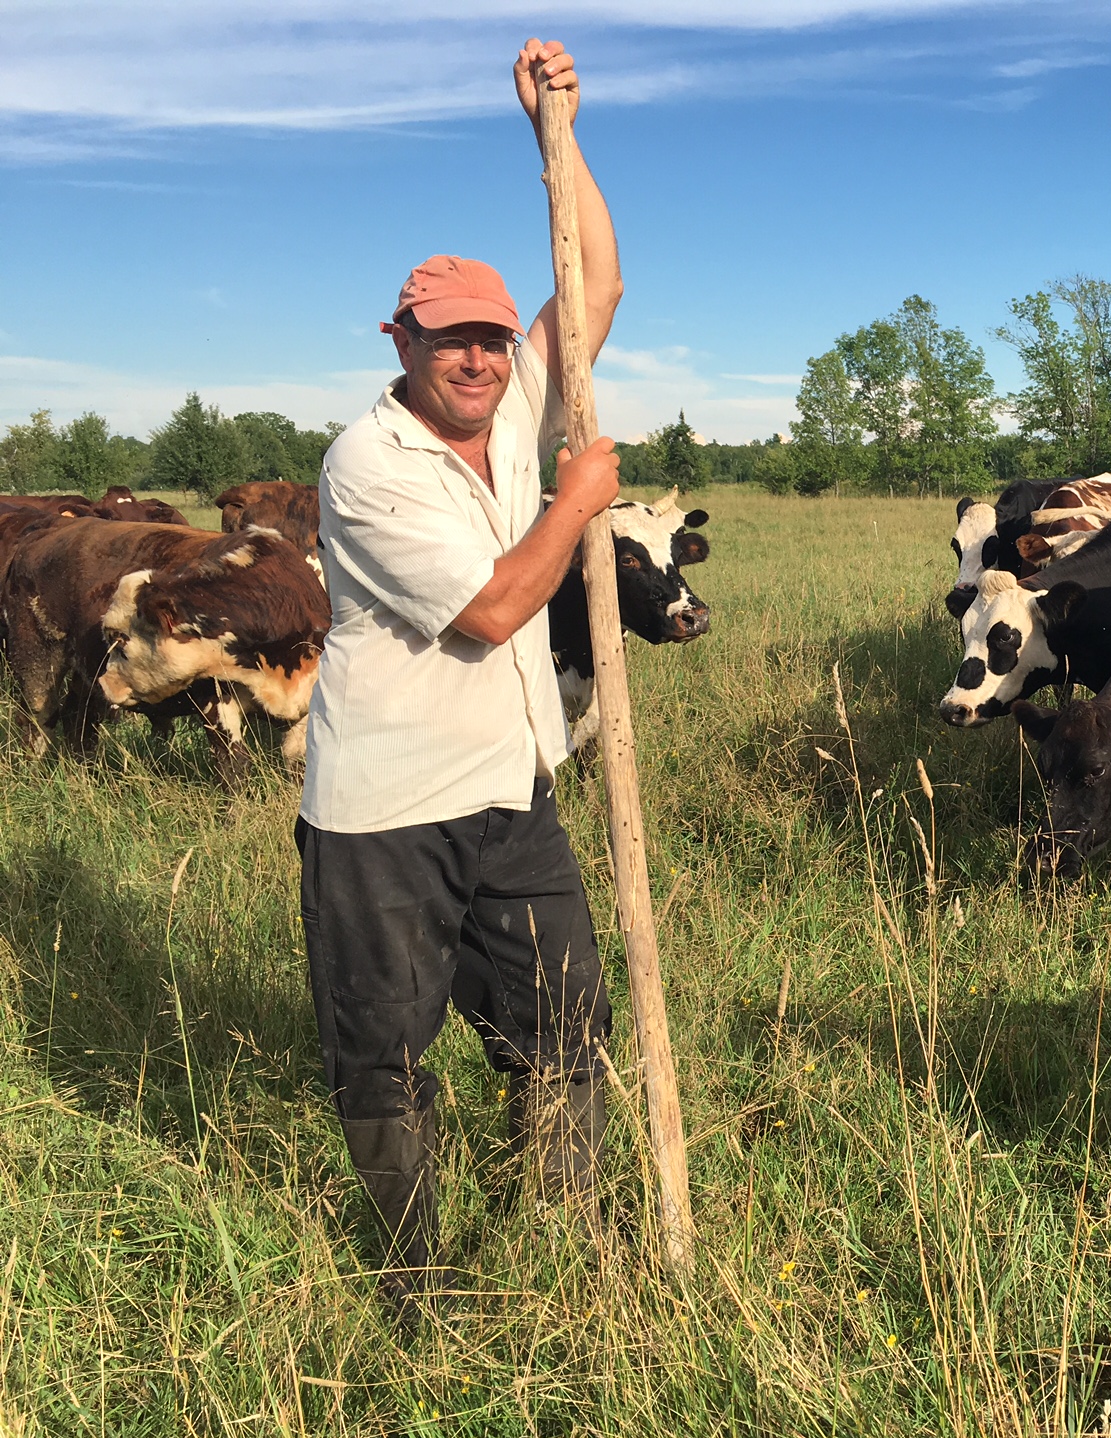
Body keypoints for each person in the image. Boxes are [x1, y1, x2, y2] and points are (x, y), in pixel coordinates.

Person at [299, 38, 625, 1306]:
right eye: (454, 340)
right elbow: (494, 609)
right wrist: (582, 494)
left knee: (564, 1019)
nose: (483, 358)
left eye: (494, 337)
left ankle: (571, 1243)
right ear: (403, 341)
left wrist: (560, 132)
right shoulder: (368, 463)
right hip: (382, 812)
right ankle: (419, 1284)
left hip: (508, 787)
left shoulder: (514, 409)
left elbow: (589, 279)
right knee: (384, 1048)